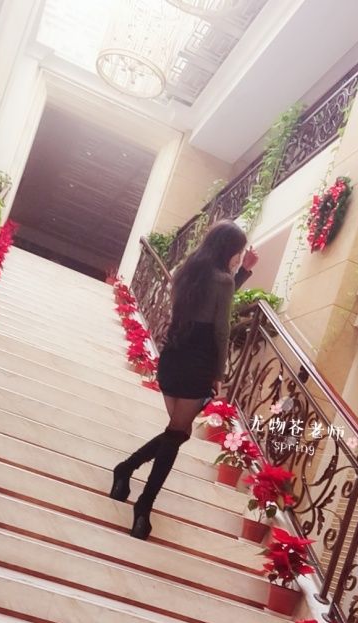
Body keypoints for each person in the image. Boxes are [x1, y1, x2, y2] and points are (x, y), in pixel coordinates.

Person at [110, 220, 258, 540]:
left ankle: (127, 470)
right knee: (177, 433)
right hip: (198, 360)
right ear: (229, 249)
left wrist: (242, 272)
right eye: (238, 251)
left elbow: (210, 299)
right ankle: (142, 505)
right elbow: (221, 328)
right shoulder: (222, 280)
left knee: (178, 432)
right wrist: (218, 374)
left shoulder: (187, 272)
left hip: (173, 354)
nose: (238, 256)